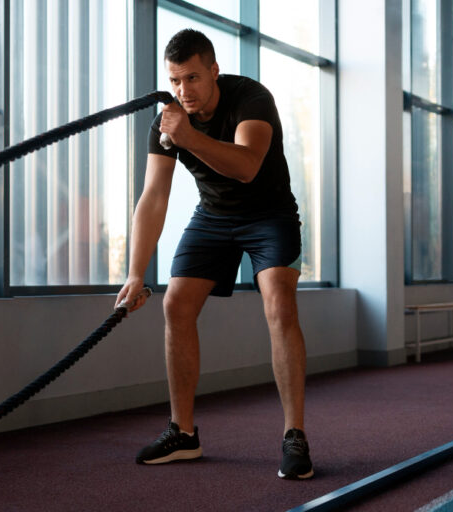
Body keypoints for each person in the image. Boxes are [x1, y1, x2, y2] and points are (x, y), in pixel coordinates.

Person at [114, 28, 313, 479]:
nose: (184, 91)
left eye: (193, 78)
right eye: (176, 80)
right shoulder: (168, 122)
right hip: (214, 216)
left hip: (269, 214)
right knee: (176, 303)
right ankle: (183, 434)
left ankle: (294, 435)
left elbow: (245, 166)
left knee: (279, 304)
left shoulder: (251, 98)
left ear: (214, 72)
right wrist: (134, 271)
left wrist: (187, 137)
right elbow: (153, 197)